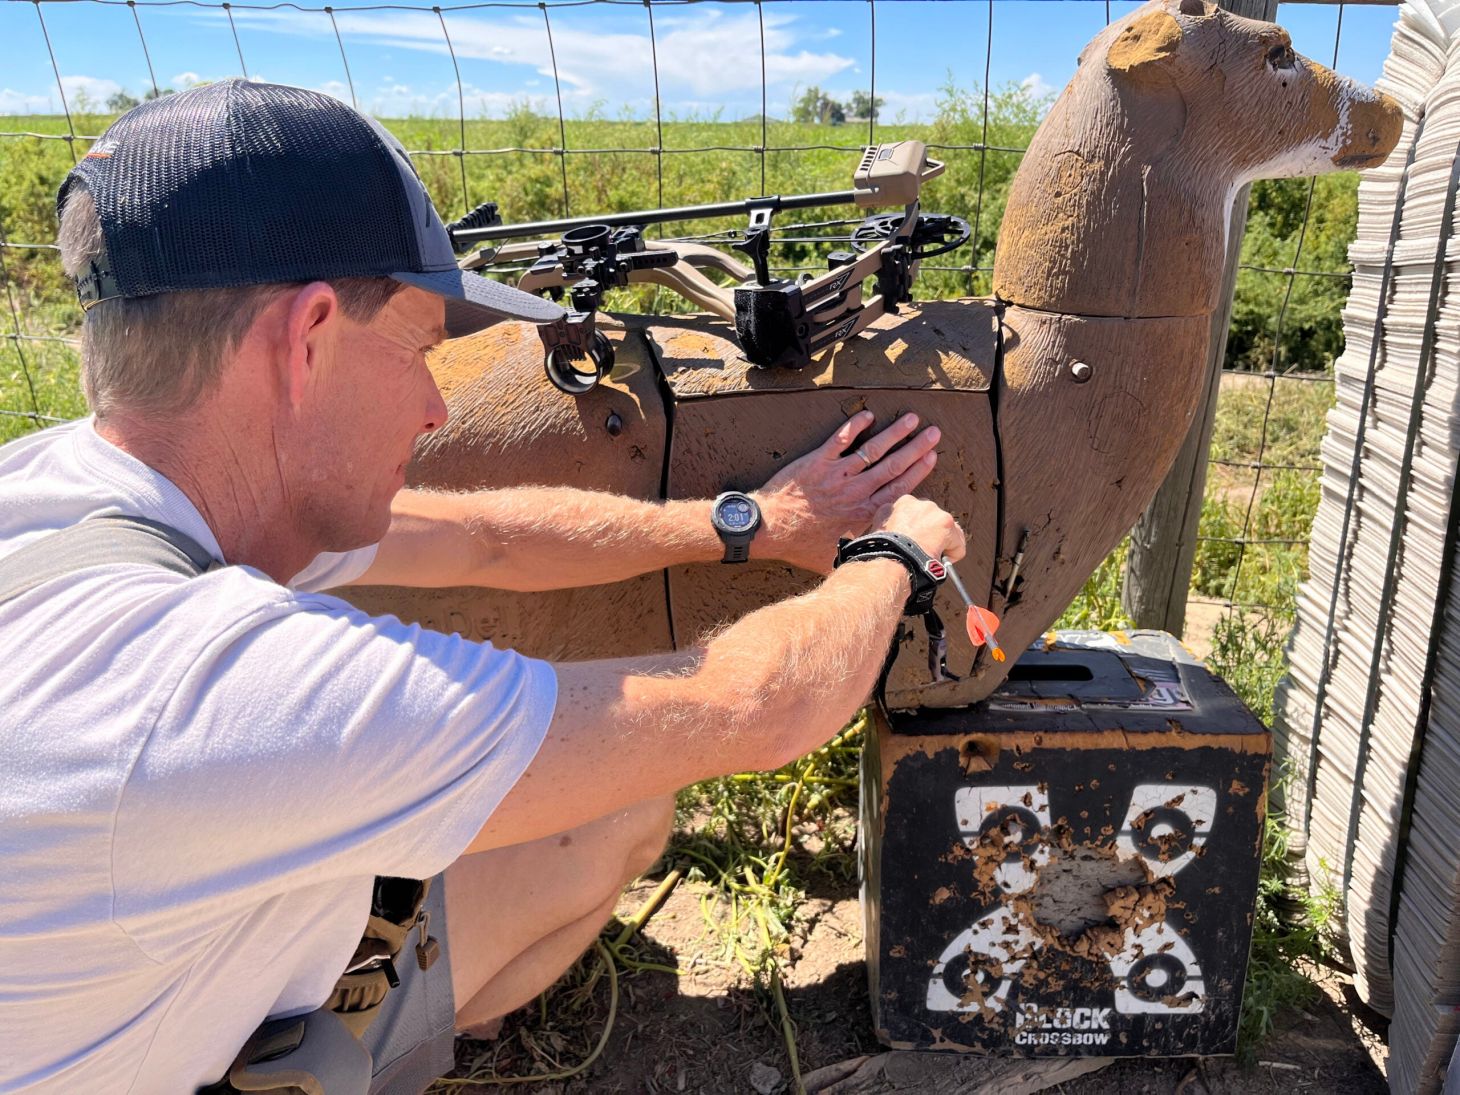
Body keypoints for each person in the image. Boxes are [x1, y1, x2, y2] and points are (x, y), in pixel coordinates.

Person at [0, 79, 965, 1094]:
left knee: (606, 808)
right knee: (620, 809)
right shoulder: (223, 690)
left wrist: (757, 522)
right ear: (307, 338)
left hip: (110, 963)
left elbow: (486, 539)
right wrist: (893, 554)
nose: (432, 406)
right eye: (417, 348)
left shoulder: (74, 487)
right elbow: (751, 709)